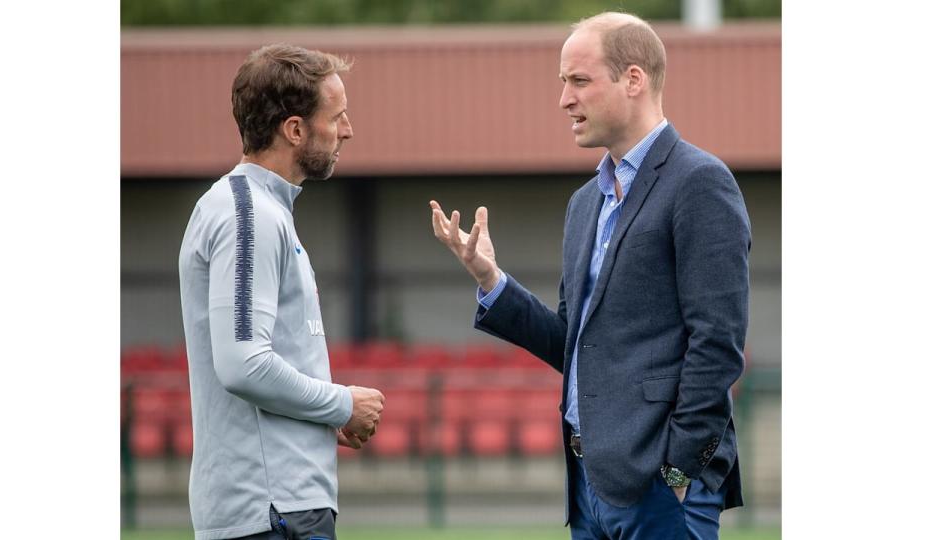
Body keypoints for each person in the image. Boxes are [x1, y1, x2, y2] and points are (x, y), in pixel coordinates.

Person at [430, 12, 750, 540]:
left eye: (579, 81)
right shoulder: (585, 203)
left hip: (663, 486)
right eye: (563, 83)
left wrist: (677, 470)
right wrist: (491, 281)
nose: (564, 100)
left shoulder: (701, 183)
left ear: (633, 80)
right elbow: (575, 345)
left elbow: (717, 345)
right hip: (587, 486)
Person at [179, 44, 385, 540]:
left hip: (280, 508)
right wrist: (340, 404)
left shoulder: (259, 210)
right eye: (336, 117)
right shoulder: (247, 216)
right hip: (273, 513)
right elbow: (244, 364)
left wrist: (314, 417)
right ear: (294, 130)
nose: (348, 130)